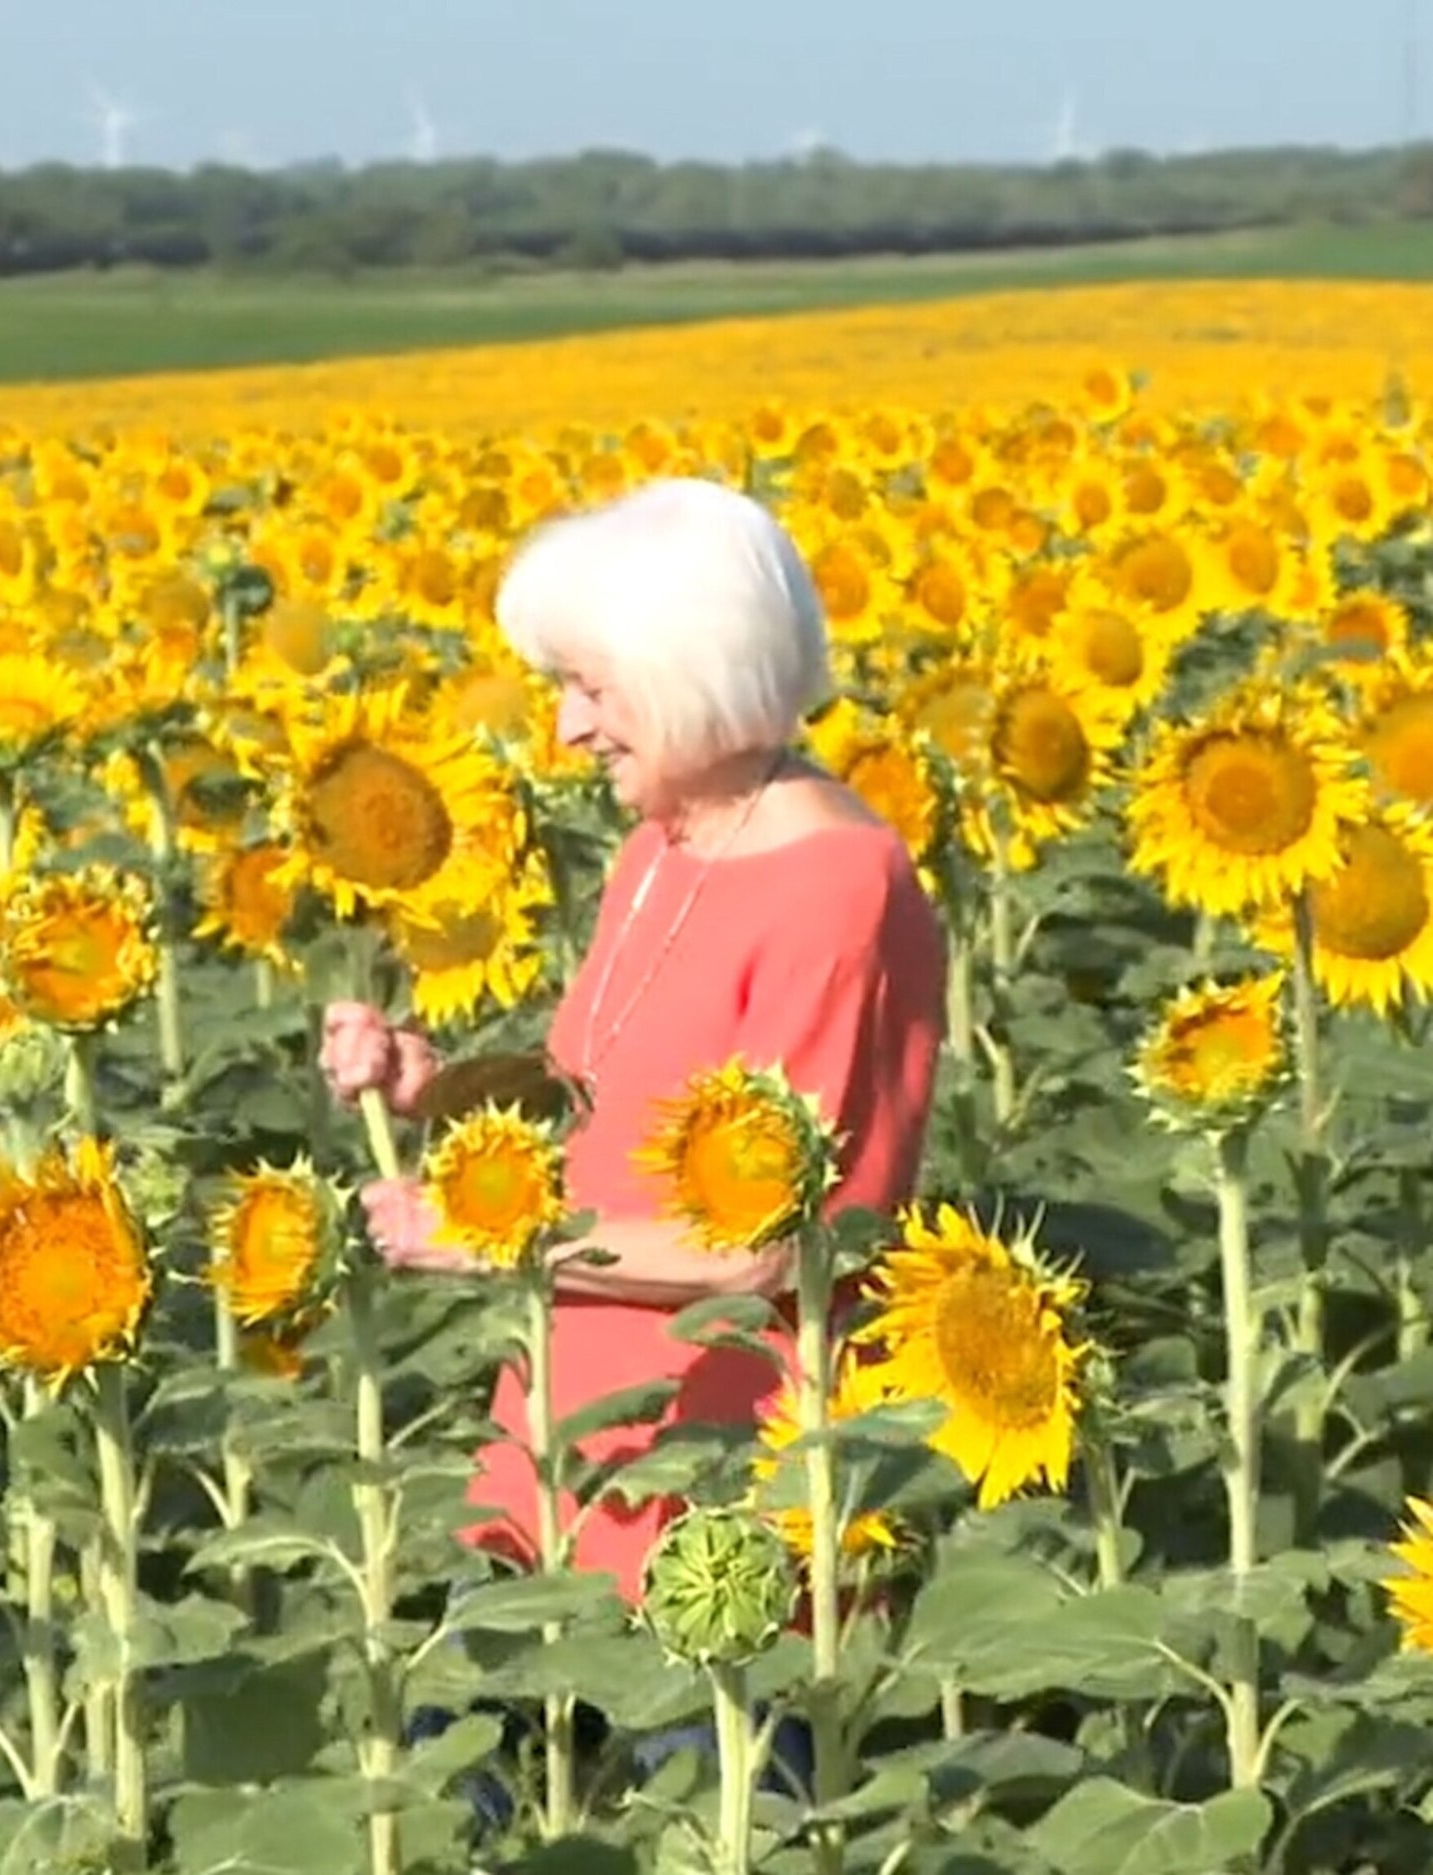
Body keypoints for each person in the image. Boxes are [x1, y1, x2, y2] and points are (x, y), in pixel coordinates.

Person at [321, 475, 946, 1797]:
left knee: (715, 1815)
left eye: (592, 688)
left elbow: (769, 1248)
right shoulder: (663, 846)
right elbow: (591, 1103)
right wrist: (435, 1090)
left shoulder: (838, 886)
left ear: (693, 673)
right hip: (559, 1448)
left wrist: (496, 1241)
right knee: (458, 1803)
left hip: (724, 1483)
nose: (565, 728)